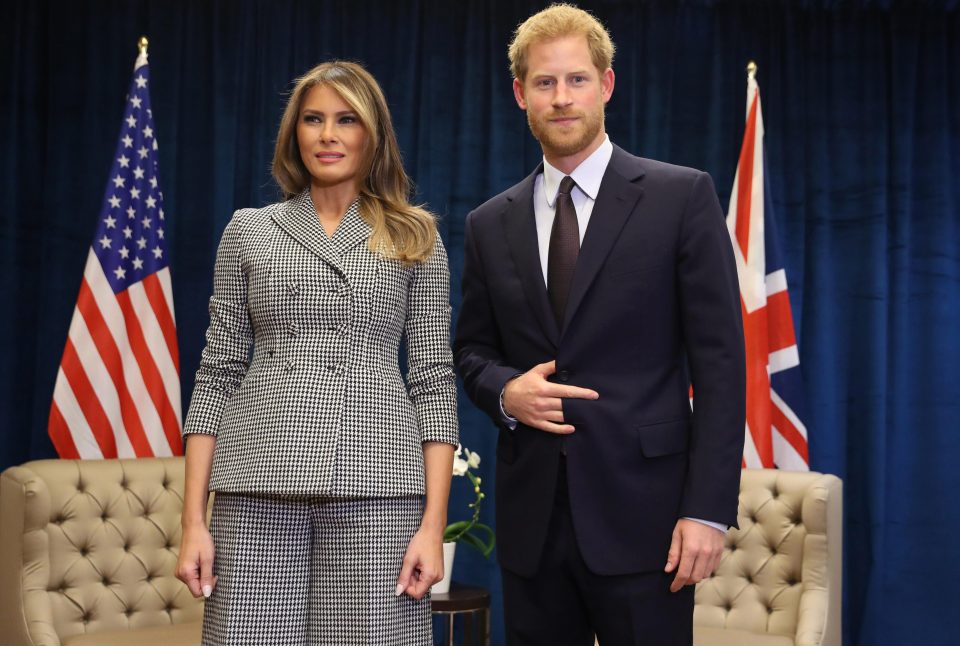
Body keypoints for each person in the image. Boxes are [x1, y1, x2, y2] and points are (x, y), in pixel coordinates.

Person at [453, 4, 745, 645]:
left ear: (606, 85)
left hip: (651, 523)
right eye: (545, 83)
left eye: (577, 80)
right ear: (520, 95)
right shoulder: (487, 224)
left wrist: (707, 511)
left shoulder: (681, 196)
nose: (562, 98)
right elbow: (471, 349)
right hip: (534, 529)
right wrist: (506, 391)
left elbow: (721, 366)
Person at [175, 61, 458, 645]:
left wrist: (432, 527)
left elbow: (433, 381)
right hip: (255, 486)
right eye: (313, 119)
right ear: (294, 132)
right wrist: (192, 521)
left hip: (378, 489)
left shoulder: (415, 237)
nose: (328, 134)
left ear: (371, 134)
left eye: (346, 119)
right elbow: (216, 375)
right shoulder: (248, 230)